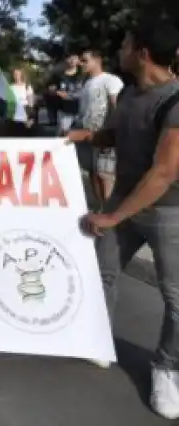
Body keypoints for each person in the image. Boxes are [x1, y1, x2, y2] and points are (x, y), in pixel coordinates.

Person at [67, 21, 179, 417]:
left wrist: (113, 215)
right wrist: (86, 136)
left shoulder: (175, 101)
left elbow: (164, 173)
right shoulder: (130, 93)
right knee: (102, 271)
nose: (120, 50)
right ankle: (98, 339)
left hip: (168, 212)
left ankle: (167, 369)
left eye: (127, 44)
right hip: (125, 201)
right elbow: (113, 135)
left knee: (175, 297)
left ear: (143, 53)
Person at [77, 50, 124, 205]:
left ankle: (111, 210)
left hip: (103, 135)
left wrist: (112, 134)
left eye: (84, 60)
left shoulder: (110, 80)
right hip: (86, 134)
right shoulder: (86, 83)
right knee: (92, 173)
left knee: (105, 174)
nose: (80, 64)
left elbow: (116, 106)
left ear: (97, 60)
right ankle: (101, 206)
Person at [49, 54, 84, 135]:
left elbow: (84, 92)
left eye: (74, 58)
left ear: (78, 60)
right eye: (70, 58)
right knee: (63, 135)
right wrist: (54, 91)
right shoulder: (59, 75)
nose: (72, 61)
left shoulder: (83, 75)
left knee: (79, 136)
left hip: (80, 111)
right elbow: (52, 89)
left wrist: (68, 95)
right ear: (66, 60)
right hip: (64, 111)